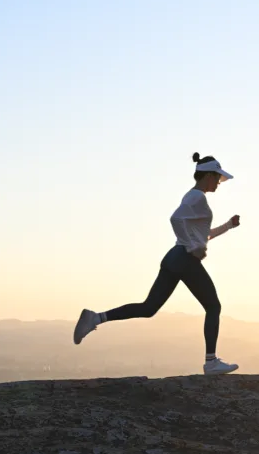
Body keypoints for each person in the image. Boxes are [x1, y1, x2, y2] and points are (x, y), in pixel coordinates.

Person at [73, 152, 242, 375]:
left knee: (149, 307)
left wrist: (228, 226)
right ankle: (211, 362)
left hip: (175, 257)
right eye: (217, 178)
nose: (219, 183)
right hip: (184, 259)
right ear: (208, 175)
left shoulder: (193, 197)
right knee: (213, 306)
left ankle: (96, 317)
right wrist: (191, 246)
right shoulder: (197, 197)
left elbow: (202, 235)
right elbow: (175, 219)